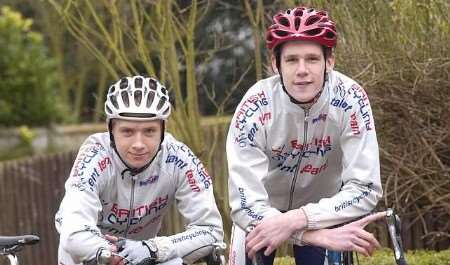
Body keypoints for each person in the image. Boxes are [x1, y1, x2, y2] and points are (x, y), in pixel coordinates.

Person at [226, 6, 383, 265]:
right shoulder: (254, 106)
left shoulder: (351, 98)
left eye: (312, 59)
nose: (302, 70)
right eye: (291, 60)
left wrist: (298, 220)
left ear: (329, 61)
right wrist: (310, 235)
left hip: (324, 211)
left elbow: (365, 188)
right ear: (275, 64)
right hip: (260, 214)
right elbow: (245, 203)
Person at [55, 75, 224, 265]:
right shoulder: (94, 157)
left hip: (145, 257)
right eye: (127, 131)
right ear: (111, 130)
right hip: (92, 258)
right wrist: (112, 255)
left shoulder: (178, 158)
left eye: (149, 131)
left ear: (163, 129)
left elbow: (211, 230)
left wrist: (155, 248)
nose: (138, 144)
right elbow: (73, 232)